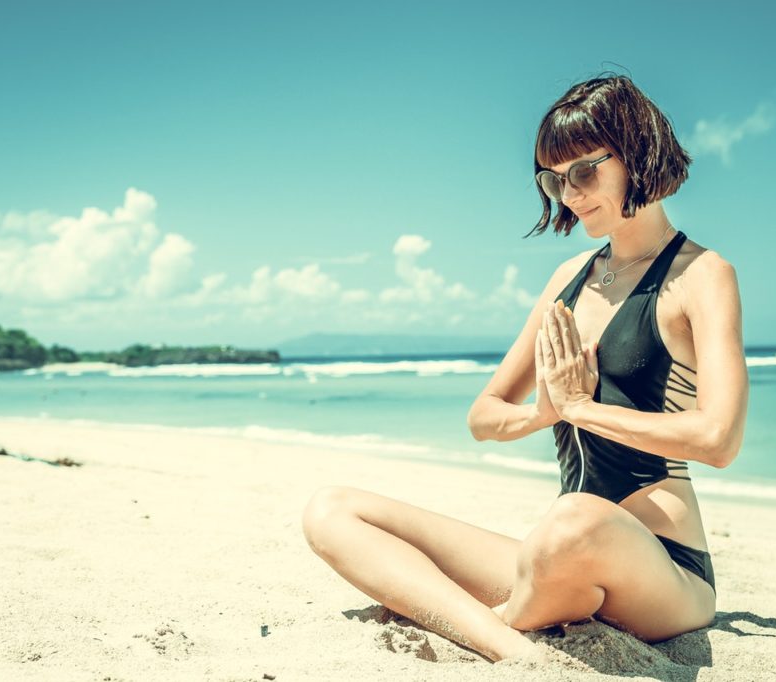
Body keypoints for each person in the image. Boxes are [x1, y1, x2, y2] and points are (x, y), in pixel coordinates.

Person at [302, 73, 749, 662]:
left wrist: (583, 411)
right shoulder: (567, 280)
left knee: (574, 521)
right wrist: (546, 413)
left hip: (664, 569)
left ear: (636, 151)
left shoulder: (700, 275)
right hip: (557, 559)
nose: (569, 194)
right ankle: (509, 647)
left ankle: (501, 621)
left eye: (584, 172)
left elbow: (718, 439)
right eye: (554, 179)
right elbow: (484, 418)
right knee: (332, 511)